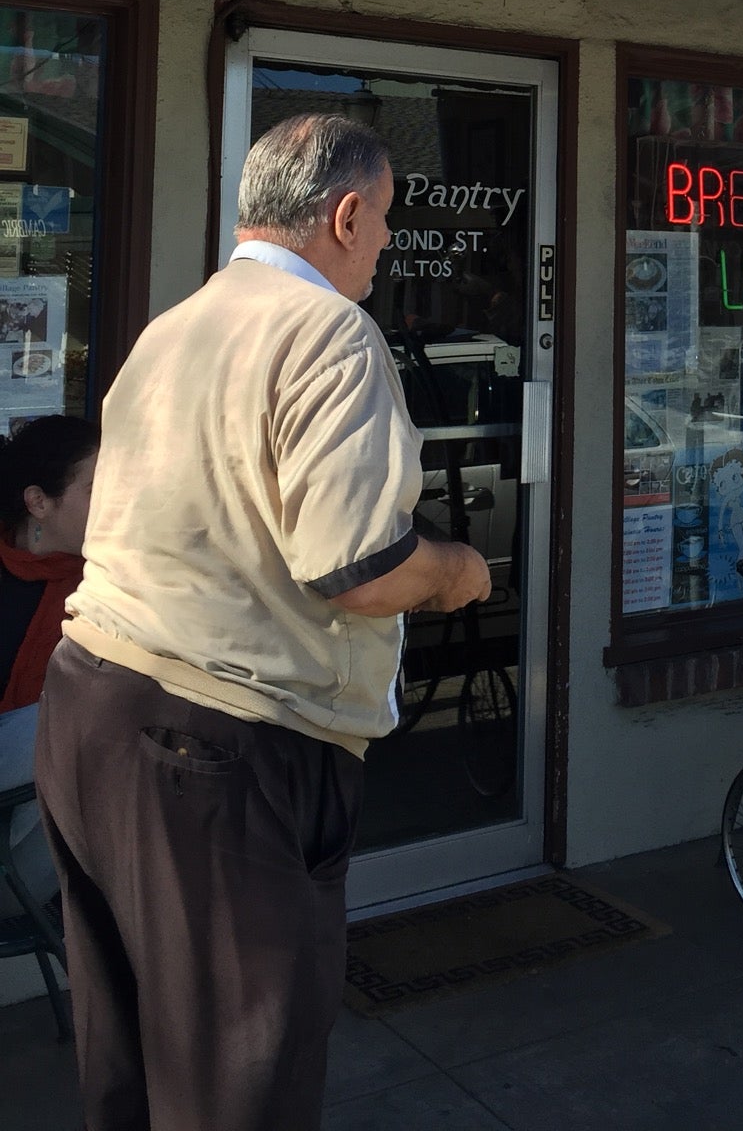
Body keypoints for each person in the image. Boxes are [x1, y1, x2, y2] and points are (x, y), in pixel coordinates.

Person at [35, 115, 492, 1131]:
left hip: (89, 708)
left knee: (132, 1065)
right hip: (218, 744)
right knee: (241, 1080)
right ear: (343, 213)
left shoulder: (174, 326)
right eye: (382, 222)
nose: (382, 246)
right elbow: (357, 571)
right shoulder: (329, 331)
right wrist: (459, 569)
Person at [0, 415, 98, 914]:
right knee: (76, 711)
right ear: (38, 502)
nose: (116, 505)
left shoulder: (115, 585)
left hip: (40, 849)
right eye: (96, 488)